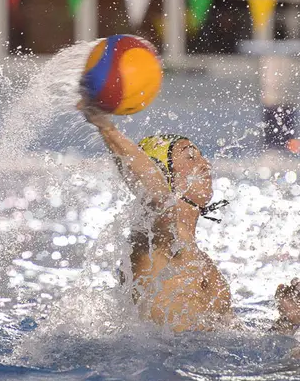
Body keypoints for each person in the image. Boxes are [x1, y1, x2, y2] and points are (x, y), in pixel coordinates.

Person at [79, 102, 233, 332]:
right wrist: (107, 128)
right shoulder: (154, 235)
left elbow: (233, 333)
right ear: (164, 173)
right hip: (162, 353)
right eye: (191, 157)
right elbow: (156, 192)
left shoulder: (203, 261)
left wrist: (284, 322)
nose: (205, 164)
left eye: (201, 156)